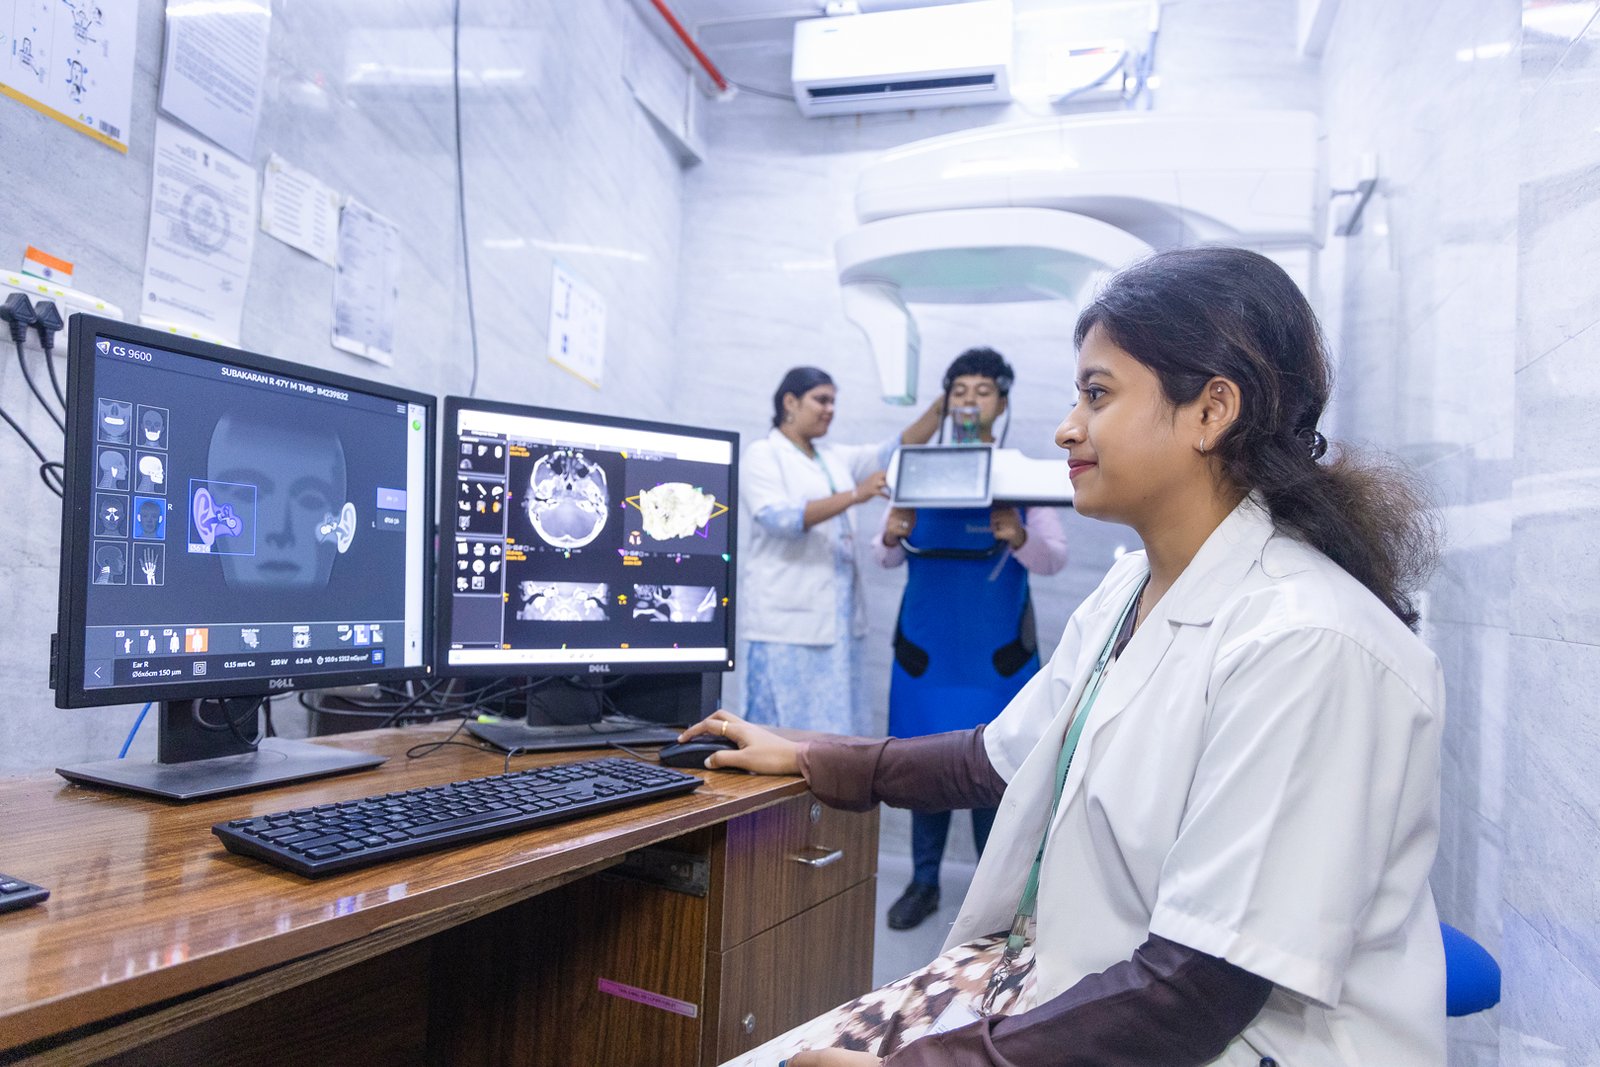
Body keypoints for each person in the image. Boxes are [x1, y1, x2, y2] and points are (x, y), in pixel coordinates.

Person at [691, 248, 1446, 1066]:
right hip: (1079, 986)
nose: (1067, 426)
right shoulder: (1133, 589)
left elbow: (1195, 990)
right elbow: (996, 759)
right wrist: (805, 755)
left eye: (1097, 394)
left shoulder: (1307, 642)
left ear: (1210, 410)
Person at [875, 347, 1068, 932]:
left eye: (982, 390)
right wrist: (889, 534)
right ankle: (924, 883)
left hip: (996, 660)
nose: (969, 400)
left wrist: (1018, 537)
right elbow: (882, 558)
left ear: (1002, 402)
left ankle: (992, 899)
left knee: (996, 773)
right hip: (925, 657)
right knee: (923, 772)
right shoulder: (914, 470)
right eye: (959, 389)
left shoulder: (1019, 476)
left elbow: (1055, 558)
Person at [741, 367, 942, 735]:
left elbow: (896, 449)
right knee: (781, 736)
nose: (830, 409)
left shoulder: (833, 457)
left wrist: (944, 403)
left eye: (833, 401)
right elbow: (777, 518)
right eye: (821, 400)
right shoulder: (764, 454)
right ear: (790, 401)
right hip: (785, 630)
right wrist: (855, 495)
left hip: (838, 627)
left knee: (835, 738)